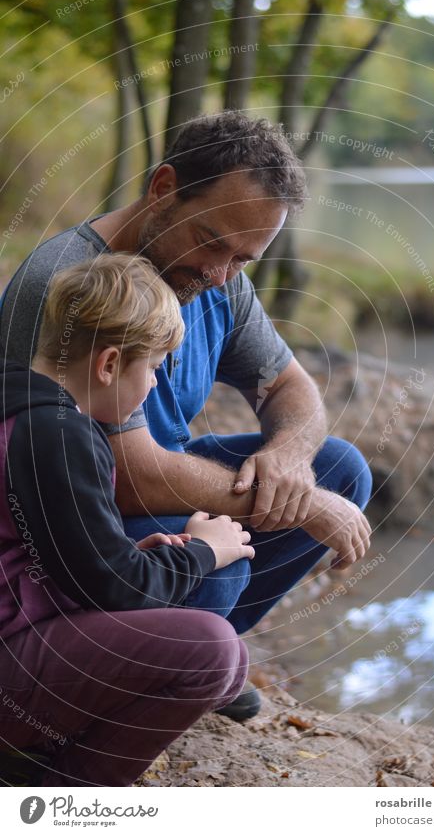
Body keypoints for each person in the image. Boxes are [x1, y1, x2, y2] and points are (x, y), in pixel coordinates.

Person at [0, 111, 372, 720]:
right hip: (73, 515)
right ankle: (161, 657)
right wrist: (299, 506)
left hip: (151, 485)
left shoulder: (218, 277)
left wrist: (287, 459)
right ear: (164, 188)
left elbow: (289, 385)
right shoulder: (65, 281)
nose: (221, 273)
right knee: (215, 571)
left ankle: (190, 653)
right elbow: (126, 474)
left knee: (337, 470)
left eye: (244, 260)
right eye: (213, 244)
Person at [0, 254, 254, 786]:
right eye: (156, 368)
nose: (155, 384)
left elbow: (34, 555)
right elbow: (118, 590)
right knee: (212, 651)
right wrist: (204, 550)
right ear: (110, 364)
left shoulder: (19, 404)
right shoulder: (60, 434)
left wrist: (130, 557)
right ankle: (65, 798)